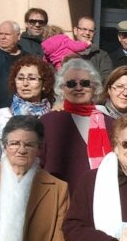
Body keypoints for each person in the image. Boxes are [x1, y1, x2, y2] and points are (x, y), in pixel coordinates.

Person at [40, 59, 115, 190]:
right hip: (62, 201)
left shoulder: (111, 124)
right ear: (62, 89)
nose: (78, 88)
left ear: (95, 87)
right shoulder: (48, 122)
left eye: (85, 83)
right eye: (71, 84)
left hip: (101, 198)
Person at [0, 55, 55, 146]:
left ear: (44, 84)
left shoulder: (53, 119)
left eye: (32, 79)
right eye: (20, 78)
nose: (25, 83)